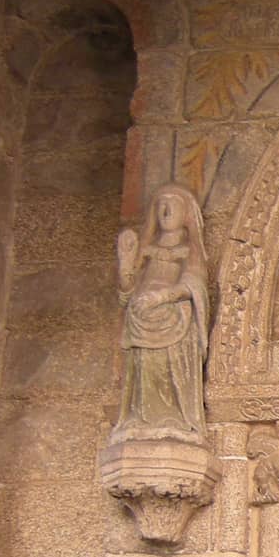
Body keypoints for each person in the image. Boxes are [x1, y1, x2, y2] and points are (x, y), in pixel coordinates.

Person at [111, 183, 210, 444]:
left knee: (169, 367)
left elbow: (194, 284)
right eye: (161, 204)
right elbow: (126, 293)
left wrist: (160, 298)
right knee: (145, 368)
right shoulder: (145, 251)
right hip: (141, 317)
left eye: (174, 203)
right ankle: (140, 417)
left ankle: (176, 419)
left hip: (173, 319)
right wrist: (125, 264)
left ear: (186, 212)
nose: (166, 209)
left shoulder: (191, 250)